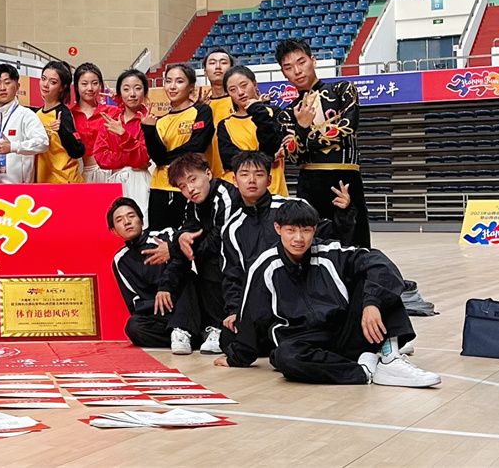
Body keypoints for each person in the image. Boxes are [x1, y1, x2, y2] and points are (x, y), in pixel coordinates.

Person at [215, 201, 440, 388]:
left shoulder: (331, 252)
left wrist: (372, 303)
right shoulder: (264, 267)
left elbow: (380, 263)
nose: (298, 238)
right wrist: (238, 357)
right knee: (285, 356)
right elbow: (251, 316)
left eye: (305, 230)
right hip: (303, 341)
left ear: (314, 230)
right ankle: (363, 370)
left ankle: (390, 359)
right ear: (278, 228)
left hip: (343, 332)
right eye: (291, 230)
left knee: (376, 280)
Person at [220, 151, 354, 342]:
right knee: (229, 338)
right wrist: (234, 311)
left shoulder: (292, 206)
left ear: (269, 180)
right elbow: (233, 276)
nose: (251, 180)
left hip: (307, 294)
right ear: (234, 180)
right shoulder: (232, 228)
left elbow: (331, 237)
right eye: (244, 174)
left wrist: (344, 213)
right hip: (266, 303)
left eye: (259, 174)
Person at [275, 39, 371, 247]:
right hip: (309, 184)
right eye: (289, 67)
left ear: (313, 60)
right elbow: (294, 156)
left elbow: (348, 126)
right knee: (310, 245)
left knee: (355, 244)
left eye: (301, 62)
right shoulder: (286, 113)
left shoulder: (343, 89)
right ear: (283, 73)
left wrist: (303, 133)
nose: (297, 71)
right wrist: (302, 129)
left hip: (346, 180)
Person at [151, 152, 238, 356]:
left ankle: (218, 326)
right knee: (183, 268)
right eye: (182, 186)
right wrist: (165, 285)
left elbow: (218, 240)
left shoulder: (225, 195)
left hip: (237, 267)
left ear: (208, 173)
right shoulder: (192, 205)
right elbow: (186, 236)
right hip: (215, 270)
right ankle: (188, 328)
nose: (189, 189)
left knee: (209, 260)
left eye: (193, 179)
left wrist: (174, 248)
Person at [143, 64, 214, 231]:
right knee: (159, 237)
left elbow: (197, 146)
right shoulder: (159, 121)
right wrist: (148, 131)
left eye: (179, 81)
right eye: (168, 81)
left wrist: (167, 159)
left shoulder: (201, 111)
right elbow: (158, 158)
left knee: (189, 236)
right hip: (160, 186)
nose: (172, 86)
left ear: (191, 86)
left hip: (190, 186)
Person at [108, 197, 174, 348]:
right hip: (158, 314)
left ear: (142, 220)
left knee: (188, 279)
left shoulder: (164, 236)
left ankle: (185, 331)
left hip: (182, 304)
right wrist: (154, 304)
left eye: (131, 216)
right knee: (134, 327)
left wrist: (166, 289)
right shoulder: (120, 261)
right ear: (114, 231)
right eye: (119, 220)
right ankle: (185, 337)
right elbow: (133, 304)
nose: (127, 222)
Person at [218, 65, 291, 196]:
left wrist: (257, 110)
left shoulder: (274, 113)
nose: (240, 92)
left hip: (274, 189)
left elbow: (273, 145)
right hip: (239, 193)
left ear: (254, 84)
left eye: (244, 85)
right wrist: (269, 158)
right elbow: (230, 159)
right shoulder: (225, 124)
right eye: (233, 90)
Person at [92, 69, 153, 217]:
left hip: (140, 181)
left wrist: (123, 135)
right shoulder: (111, 121)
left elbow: (144, 157)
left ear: (145, 92)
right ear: (119, 93)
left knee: (140, 221)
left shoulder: (149, 122)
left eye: (137, 88)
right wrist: (130, 160)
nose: (132, 94)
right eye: (126, 89)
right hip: (114, 180)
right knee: (116, 223)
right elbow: (100, 157)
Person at [0, 64, 48, 184]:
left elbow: (43, 143)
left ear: (17, 86)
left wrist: (13, 147)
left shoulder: (26, 115)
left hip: (19, 190)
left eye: (7, 83)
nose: (2, 88)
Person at [35, 60, 85, 184]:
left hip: (65, 182)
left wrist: (62, 131)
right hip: (44, 183)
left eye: (53, 82)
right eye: (43, 79)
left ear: (63, 87)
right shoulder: (36, 114)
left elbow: (78, 150)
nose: (45, 85)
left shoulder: (63, 114)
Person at [71, 62, 117, 184]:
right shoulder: (69, 115)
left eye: (95, 83)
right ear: (76, 86)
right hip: (80, 173)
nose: (90, 88)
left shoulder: (112, 112)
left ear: (101, 85)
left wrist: (122, 101)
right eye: (84, 84)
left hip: (109, 172)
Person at [200, 48, 237, 179]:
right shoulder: (201, 107)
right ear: (205, 72)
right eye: (212, 62)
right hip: (211, 178)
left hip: (238, 176)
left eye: (223, 62)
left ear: (231, 69)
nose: (218, 66)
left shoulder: (240, 102)